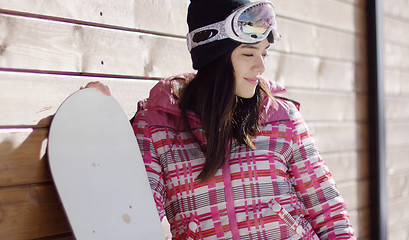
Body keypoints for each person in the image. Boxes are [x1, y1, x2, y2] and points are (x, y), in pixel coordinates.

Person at [88, 0, 356, 239]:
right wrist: (99, 125)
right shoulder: (159, 127)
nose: (261, 66)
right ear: (214, 59)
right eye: (248, 54)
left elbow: (329, 212)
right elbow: (135, 214)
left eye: (264, 53)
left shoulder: (281, 118)